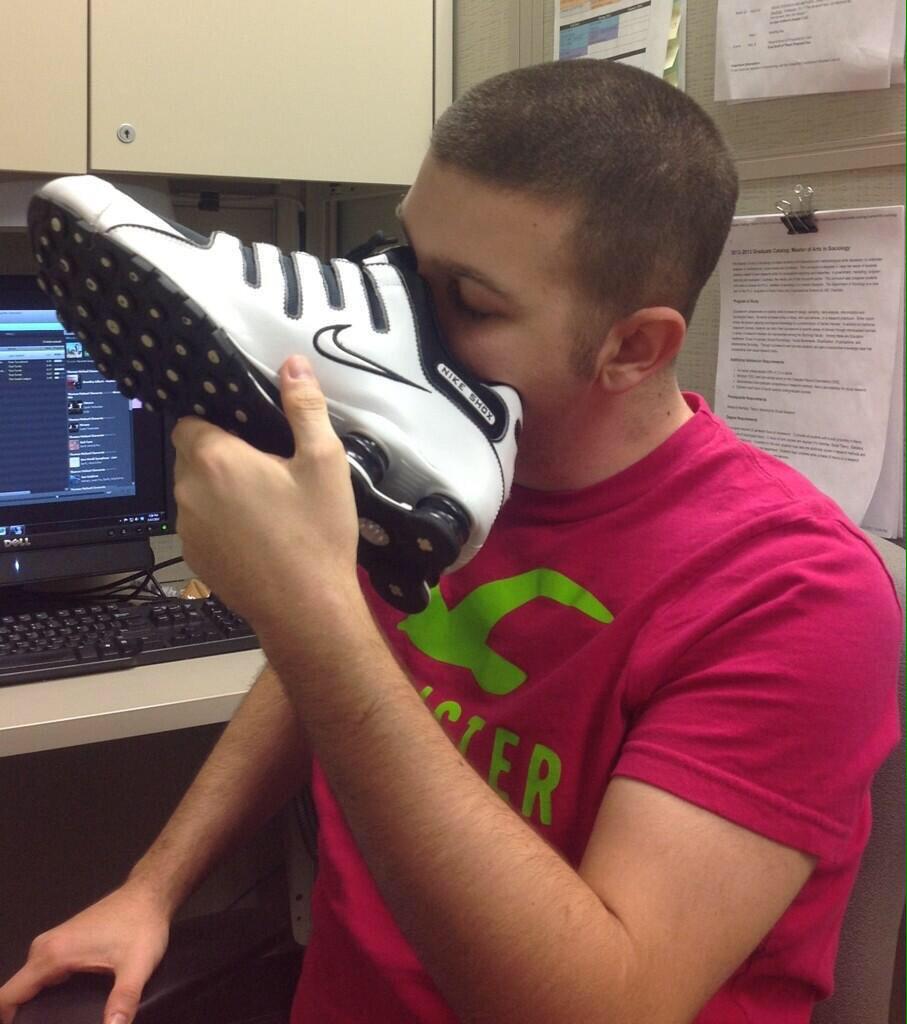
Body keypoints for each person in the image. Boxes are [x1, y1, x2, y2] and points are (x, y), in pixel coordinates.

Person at [0, 59, 901, 1024]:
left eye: (468, 302)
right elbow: (325, 675)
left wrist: (305, 606)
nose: (402, 324)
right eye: (404, 267)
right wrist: (152, 888)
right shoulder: (439, 483)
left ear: (632, 347)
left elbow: (607, 1006)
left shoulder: (793, 590)